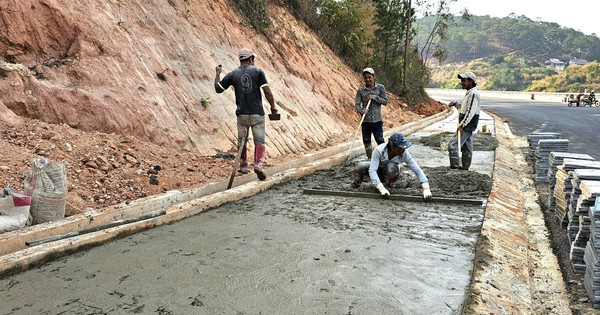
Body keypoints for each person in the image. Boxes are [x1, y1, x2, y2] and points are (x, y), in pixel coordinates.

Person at [214, 47, 277, 181]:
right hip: (257, 114)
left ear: (241, 60)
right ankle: (258, 164)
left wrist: (218, 73)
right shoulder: (258, 72)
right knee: (259, 140)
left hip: (241, 114)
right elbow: (267, 92)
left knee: (242, 140)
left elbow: (218, 89)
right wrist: (273, 107)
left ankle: (243, 165)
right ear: (251, 59)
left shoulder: (233, 74)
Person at [351, 133, 432, 200]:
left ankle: (388, 186)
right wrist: (380, 188)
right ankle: (355, 186)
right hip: (379, 170)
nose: (403, 150)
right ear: (392, 147)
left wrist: (426, 188)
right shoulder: (379, 150)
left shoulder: (404, 154)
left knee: (391, 167)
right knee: (360, 166)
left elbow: (417, 169)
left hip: (390, 172)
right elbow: (372, 170)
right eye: (400, 148)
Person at [448, 71, 481, 171]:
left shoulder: (474, 94)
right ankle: (465, 168)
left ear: (471, 81)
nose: (462, 82)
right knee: (467, 148)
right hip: (468, 125)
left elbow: (471, 111)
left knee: (452, 145)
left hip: (466, 125)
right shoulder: (470, 93)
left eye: (464, 81)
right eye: (462, 80)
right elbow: (466, 108)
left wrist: (462, 125)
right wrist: (457, 104)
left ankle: (454, 167)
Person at [354, 67, 388, 159]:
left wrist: (374, 97)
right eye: (365, 78)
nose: (368, 79)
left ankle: (384, 157)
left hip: (377, 120)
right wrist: (361, 110)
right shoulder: (361, 91)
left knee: (380, 139)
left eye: (369, 77)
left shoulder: (380, 88)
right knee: (366, 140)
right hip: (365, 121)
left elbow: (385, 101)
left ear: (373, 77)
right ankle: (370, 158)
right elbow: (357, 105)